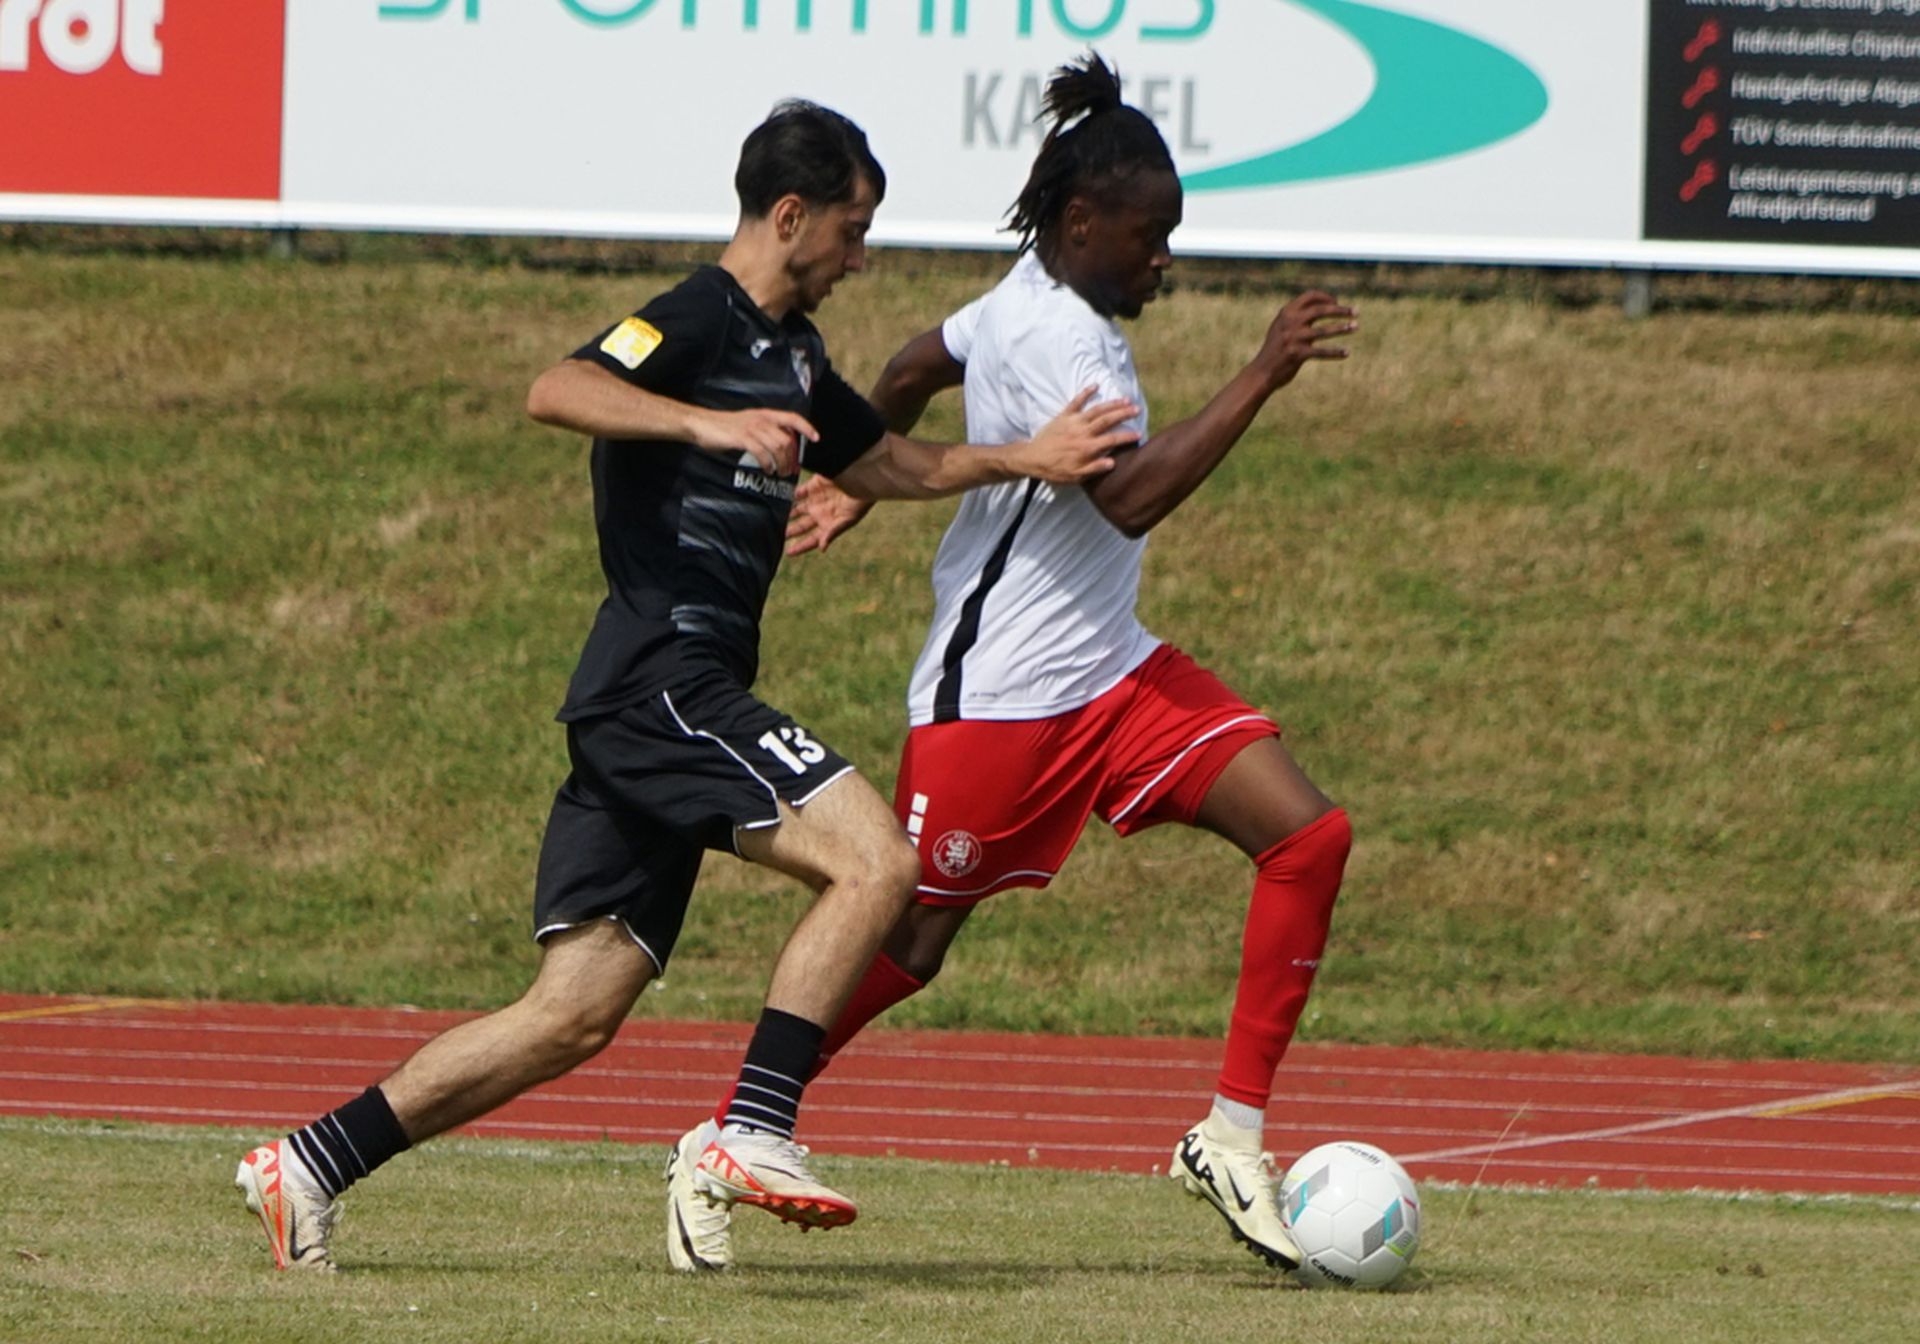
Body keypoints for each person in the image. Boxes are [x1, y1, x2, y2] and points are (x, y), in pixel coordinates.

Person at [232, 98, 1138, 1272]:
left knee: (572, 1013)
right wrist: (703, 427)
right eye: (854, 230)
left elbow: (888, 459)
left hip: (651, 703)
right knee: (878, 863)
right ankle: (749, 1129)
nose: (862, 258)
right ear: (791, 214)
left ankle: (308, 1165)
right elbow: (558, 388)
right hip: (661, 677)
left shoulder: (798, 355)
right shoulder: (700, 318)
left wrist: (1025, 458)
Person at [666, 55, 1357, 1274]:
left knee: (1308, 836)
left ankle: (1231, 1135)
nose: (1164, 260)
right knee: (910, 944)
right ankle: (730, 1133)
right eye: (1149, 237)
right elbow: (1129, 499)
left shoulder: (1024, 297)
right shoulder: (1053, 332)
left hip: (1115, 677)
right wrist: (1264, 370)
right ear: (1081, 223)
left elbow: (912, 365)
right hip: (1002, 702)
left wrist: (859, 481)